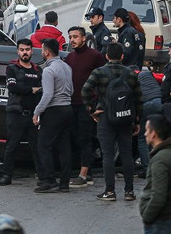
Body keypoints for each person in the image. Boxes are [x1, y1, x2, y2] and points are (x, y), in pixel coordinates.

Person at [81, 42, 143, 202]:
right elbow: (138, 98)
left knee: (107, 154)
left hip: (105, 117)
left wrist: (92, 110)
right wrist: (137, 120)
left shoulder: (99, 72)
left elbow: (85, 90)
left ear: (106, 56)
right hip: (126, 118)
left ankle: (109, 191)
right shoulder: (131, 73)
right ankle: (129, 191)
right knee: (126, 153)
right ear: (122, 56)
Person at [0, 39, 43, 187]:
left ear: (32, 51)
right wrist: (31, 90)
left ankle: (42, 176)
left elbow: (41, 90)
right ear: (17, 51)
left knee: (37, 147)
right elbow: (12, 88)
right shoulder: (12, 68)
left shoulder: (38, 70)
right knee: (11, 147)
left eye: (27, 50)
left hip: (33, 115)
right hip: (16, 114)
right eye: (22, 50)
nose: (25, 53)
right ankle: (6, 176)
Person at [64, 26, 105, 188]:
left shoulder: (95, 56)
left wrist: (98, 104)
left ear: (83, 38)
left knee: (85, 138)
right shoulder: (70, 57)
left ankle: (84, 174)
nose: (72, 40)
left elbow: (103, 80)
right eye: (70, 37)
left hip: (87, 105)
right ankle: (87, 171)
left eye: (75, 37)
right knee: (75, 138)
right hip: (71, 104)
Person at [33, 38, 74, 193]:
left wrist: (37, 112)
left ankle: (49, 180)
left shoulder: (48, 70)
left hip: (54, 110)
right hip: (67, 108)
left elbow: (48, 94)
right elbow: (71, 91)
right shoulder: (67, 67)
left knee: (44, 145)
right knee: (64, 146)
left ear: (46, 52)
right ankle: (64, 183)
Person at [135, 66, 163, 176]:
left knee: (142, 138)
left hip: (146, 104)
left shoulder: (131, 77)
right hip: (159, 100)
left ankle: (147, 169)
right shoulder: (147, 74)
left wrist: (136, 118)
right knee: (159, 136)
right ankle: (161, 166)